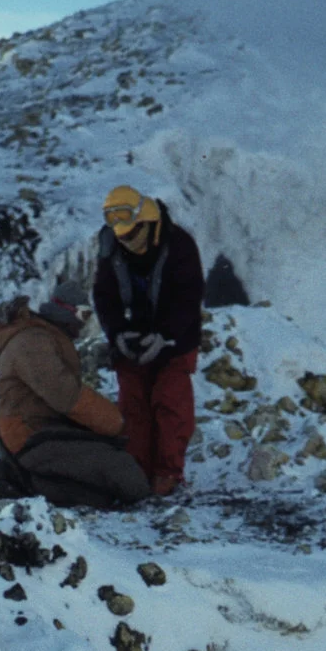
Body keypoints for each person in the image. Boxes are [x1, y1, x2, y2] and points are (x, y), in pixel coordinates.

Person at [0, 281, 149, 514]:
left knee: (101, 491)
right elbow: (65, 396)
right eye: (83, 314)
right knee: (125, 475)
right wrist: (115, 422)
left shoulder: (43, 337)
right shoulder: (33, 342)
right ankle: (2, 487)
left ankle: (20, 481)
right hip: (31, 436)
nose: (84, 322)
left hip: (42, 430)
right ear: (64, 311)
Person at [93, 185, 205, 497]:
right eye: (120, 235)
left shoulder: (179, 245)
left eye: (130, 235)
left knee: (171, 403)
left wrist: (166, 335)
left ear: (146, 222)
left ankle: (168, 475)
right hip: (133, 338)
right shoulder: (110, 245)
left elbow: (189, 296)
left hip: (175, 340)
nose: (125, 241)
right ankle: (137, 474)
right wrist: (117, 333)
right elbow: (104, 295)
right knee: (133, 407)